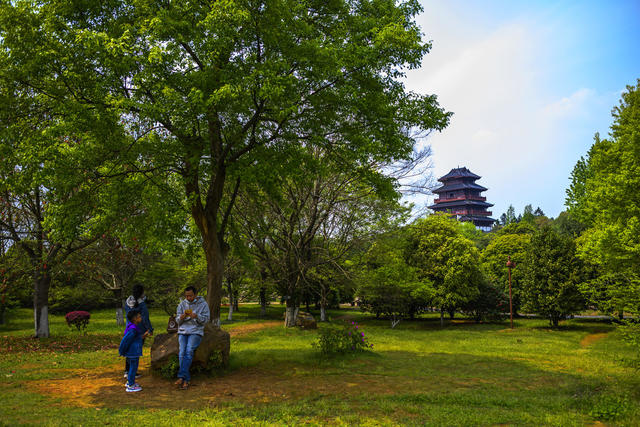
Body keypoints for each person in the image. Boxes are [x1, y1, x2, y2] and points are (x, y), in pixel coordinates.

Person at [175, 286, 210, 390]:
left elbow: (206, 320)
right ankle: (186, 379)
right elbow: (177, 320)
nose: (188, 298)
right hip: (183, 331)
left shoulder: (203, 304)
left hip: (196, 331)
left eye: (190, 296)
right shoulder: (182, 304)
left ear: (195, 295)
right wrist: (180, 318)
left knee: (189, 350)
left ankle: (181, 377)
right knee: (182, 352)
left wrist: (196, 316)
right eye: (186, 296)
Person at [123, 284, 153, 378]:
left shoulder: (127, 302)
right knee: (135, 351)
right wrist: (150, 329)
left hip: (129, 329)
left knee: (129, 349)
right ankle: (132, 373)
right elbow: (145, 318)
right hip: (140, 331)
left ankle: (127, 371)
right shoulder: (142, 304)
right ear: (141, 293)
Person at [119, 309, 149, 393]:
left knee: (132, 368)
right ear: (134, 319)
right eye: (139, 317)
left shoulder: (134, 328)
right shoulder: (132, 330)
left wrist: (144, 336)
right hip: (132, 353)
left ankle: (130, 382)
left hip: (133, 352)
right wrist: (122, 351)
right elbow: (125, 340)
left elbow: (136, 339)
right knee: (133, 368)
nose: (141, 318)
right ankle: (131, 386)